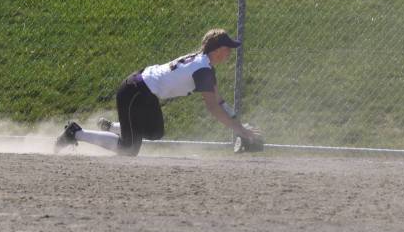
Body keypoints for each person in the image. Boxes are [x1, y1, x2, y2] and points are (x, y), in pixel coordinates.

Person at [56, 28, 258, 156]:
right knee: (129, 149)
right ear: (216, 50)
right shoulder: (203, 69)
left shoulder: (203, 64)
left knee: (155, 133)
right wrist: (241, 131)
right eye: (227, 48)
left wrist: (240, 125)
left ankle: (113, 127)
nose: (230, 52)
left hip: (146, 92)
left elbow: (220, 101)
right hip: (136, 90)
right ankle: (76, 133)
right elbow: (213, 107)